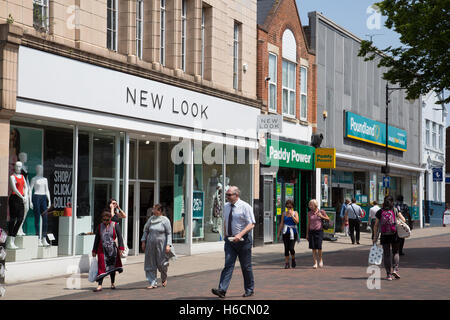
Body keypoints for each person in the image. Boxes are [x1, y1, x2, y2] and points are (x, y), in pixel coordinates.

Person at [211, 186, 256, 298]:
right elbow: (226, 220)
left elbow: (251, 224)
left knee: (246, 266)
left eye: (229, 195)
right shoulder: (226, 207)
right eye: (226, 195)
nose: (227, 197)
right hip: (230, 241)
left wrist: (240, 235)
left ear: (236, 195)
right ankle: (222, 290)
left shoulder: (245, 206)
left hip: (243, 240)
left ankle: (249, 289)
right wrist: (226, 234)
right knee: (228, 265)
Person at [373, 195, 407, 281]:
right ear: (392, 202)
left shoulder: (380, 211)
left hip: (384, 235)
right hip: (394, 234)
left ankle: (388, 274)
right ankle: (395, 269)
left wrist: (375, 237)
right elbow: (404, 220)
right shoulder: (395, 210)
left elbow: (376, 225)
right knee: (396, 252)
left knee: (387, 254)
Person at [141, 204, 174, 289]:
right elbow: (146, 230)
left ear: (160, 211)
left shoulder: (165, 220)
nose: (153, 211)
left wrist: (168, 245)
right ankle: (152, 282)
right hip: (150, 244)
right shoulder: (151, 219)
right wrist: (143, 241)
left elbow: (169, 233)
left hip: (162, 245)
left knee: (162, 264)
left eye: (154, 209)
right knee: (150, 263)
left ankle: (164, 278)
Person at [92, 210, 124, 292]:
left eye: (107, 220)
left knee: (112, 266)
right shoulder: (100, 226)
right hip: (101, 250)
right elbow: (97, 239)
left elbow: (120, 237)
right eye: (104, 220)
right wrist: (94, 250)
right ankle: (99, 285)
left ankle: (112, 283)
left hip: (112, 250)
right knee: (101, 266)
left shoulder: (115, 225)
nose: (105, 222)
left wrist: (121, 248)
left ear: (110, 219)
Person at [306, 199, 330, 269]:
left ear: (315, 205)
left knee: (319, 247)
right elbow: (308, 223)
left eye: (311, 205)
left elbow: (328, 219)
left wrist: (321, 216)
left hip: (319, 231)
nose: (310, 206)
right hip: (311, 231)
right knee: (313, 248)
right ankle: (315, 263)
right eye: (309, 205)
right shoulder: (309, 213)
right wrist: (307, 234)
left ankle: (320, 259)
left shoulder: (321, 211)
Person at [277, 200, 299, 269]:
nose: (289, 208)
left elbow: (297, 222)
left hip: (293, 233)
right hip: (285, 232)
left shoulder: (295, 213)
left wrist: (292, 215)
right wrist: (278, 233)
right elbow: (281, 223)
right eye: (287, 206)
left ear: (292, 206)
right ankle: (287, 263)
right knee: (286, 248)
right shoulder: (284, 213)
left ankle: (293, 259)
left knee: (291, 248)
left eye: (290, 206)